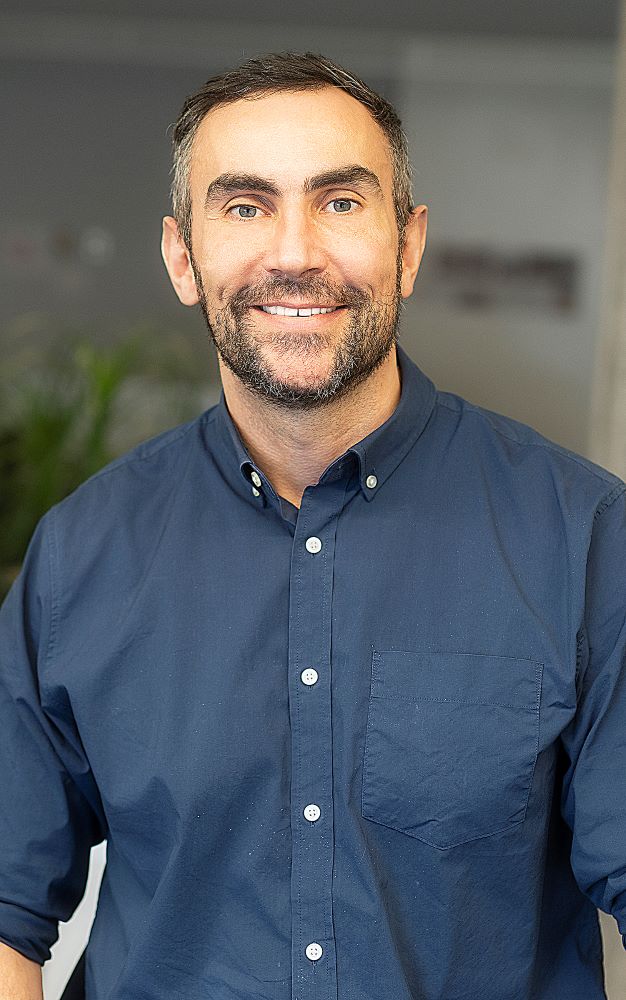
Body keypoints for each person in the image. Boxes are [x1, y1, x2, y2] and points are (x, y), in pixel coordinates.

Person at [0, 50, 624, 1000]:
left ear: (408, 246)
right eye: (245, 206)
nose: (294, 252)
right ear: (182, 257)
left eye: (340, 202)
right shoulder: (81, 555)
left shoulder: (583, 539)